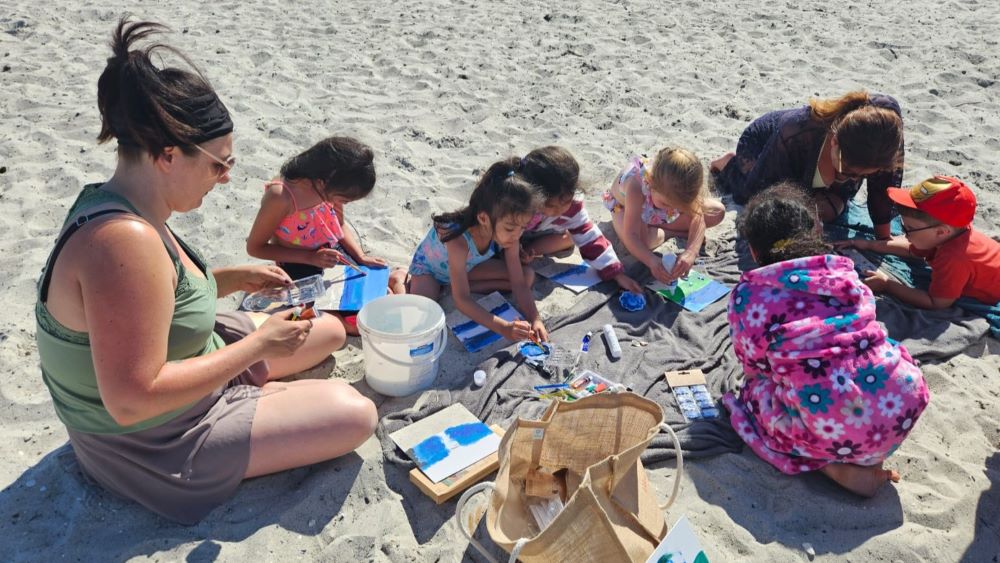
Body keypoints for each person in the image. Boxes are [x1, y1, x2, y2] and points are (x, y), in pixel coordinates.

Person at [34, 18, 376, 524]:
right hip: (153, 435)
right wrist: (256, 347)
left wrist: (231, 279)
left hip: (191, 353)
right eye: (219, 164)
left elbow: (142, 303)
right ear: (168, 155)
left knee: (325, 330)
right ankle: (247, 399)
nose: (226, 176)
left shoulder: (124, 204)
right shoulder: (120, 242)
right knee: (355, 412)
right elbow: (130, 400)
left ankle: (253, 391)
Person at [722, 182, 929, 497]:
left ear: (753, 250)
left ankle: (834, 468)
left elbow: (753, 366)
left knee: (751, 394)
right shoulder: (844, 272)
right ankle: (862, 454)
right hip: (901, 406)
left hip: (834, 427)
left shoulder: (749, 296)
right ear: (815, 233)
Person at [712, 90, 904, 240]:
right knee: (755, 200)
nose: (849, 179)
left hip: (820, 161)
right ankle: (728, 163)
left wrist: (883, 237)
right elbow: (761, 192)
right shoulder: (795, 132)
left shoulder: (886, 128)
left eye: (861, 176)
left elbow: (884, 187)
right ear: (834, 142)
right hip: (763, 146)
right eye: (847, 171)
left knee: (828, 212)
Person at [407, 157, 547, 343]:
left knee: (527, 276)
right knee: (422, 313)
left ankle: (454, 286)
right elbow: (463, 300)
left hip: (465, 269)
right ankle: (400, 280)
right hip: (430, 272)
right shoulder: (458, 241)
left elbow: (519, 283)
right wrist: (503, 327)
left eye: (523, 228)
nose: (517, 235)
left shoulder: (510, 232)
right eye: (511, 229)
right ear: (483, 219)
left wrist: (535, 319)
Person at [838, 175, 1000, 309]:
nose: (903, 233)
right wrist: (869, 245)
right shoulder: (951, 234)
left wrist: (887, 285)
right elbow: (911, 249)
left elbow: (937, 303)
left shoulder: (953, 258)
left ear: (941, 231)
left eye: (908, 229)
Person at [246, 136, 389, 281]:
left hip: (329, 251)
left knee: (364, 283)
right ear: (323, 182)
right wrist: (310, 257)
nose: (345, 204)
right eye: (344, 200)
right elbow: (255, 248)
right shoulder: (282, 197)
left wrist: (360, 256)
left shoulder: (330, 188)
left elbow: (339, 224)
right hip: (296, 260)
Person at [515, 146, 642, 293]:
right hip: (509, 238)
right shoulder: (518, 202)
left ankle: (526, 251)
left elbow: (589, 236)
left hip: (535, 235)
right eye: (552, 206)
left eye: (566, 202)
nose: (560, 211)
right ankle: (520, 252)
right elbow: (502, 232)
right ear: (535, 196)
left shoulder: (571, 205)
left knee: (572, 238)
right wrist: (513, 250)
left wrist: (616, 273)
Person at [604, 147, 725, 283]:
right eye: (668, 204)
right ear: (651, 183)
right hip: (625, 208)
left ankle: (661, 226)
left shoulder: (681, 183)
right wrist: (652, 261)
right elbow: (631, 235)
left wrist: (691, 252)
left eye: (679, 207)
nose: (674, 210)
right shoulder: (636, 187)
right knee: (643, 244)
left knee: (717, 211)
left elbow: (698, 216)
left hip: (654, 212)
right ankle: (668, 233)